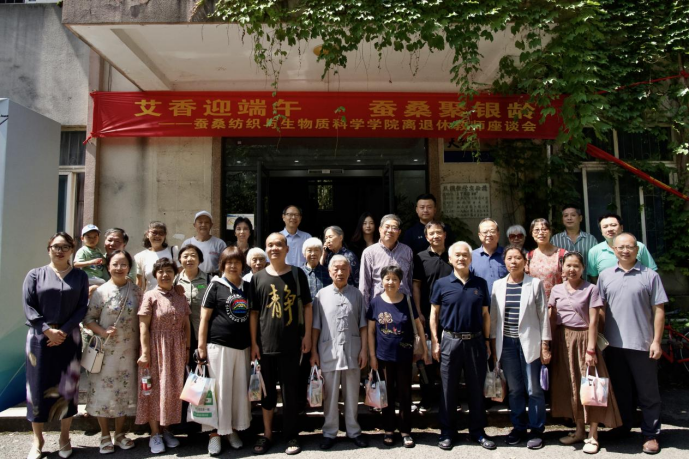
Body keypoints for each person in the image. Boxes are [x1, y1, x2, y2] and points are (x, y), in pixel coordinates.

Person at [597, 233, 668, 455]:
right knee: (620, 390)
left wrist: (656, 341)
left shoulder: (650, 276)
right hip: (613, 346)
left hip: (642, 344)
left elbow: (659, 310)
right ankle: (623, 427)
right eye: (621, 247)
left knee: (648, 393)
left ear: (637, 250)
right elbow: (600, 310)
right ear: (614, 250)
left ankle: (651, 434)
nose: (625, 251)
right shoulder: (605, 276)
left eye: (630, 247)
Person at [549, 251, 622, 454]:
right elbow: (552, 318)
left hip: (584, 340)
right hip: (563, 341)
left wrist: (591, 349)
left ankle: (593, 434)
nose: (572, 269)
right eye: (568, 265)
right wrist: (548, 344)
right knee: (571, 386)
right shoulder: (556, 289)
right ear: (562, 268)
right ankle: (579, 430)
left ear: (582, 268)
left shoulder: (591, 289)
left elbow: (594, 321)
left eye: (576, 266)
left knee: (591, 385)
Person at [23, 232, 88, 460]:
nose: (60, 251)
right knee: (37, 388)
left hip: (69, 337)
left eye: (65, 247)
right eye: (56, 246)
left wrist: (64, 330)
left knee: (67, 388)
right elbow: (29, 306)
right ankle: (37, 440)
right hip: (39, 338)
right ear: (49, 249)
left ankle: (64, 437)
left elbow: (82, 307)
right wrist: (47, 330)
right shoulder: (35, 275)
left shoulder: (80, 276)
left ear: (72, 250)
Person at [248, 233, 312, 455]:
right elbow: (254, 313)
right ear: (266, 249)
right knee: (267, 395)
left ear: (287, 249)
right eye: (270, 245)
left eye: (278, 244)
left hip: (292, 344)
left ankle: (291, 435)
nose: (274, 248)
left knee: (290, 393)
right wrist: (254, 343)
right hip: (265, 346)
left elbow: (307, 306)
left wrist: (307, 336)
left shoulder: (297, 274)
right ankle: (267, 434)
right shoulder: (258, 278)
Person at [430, 241, 494, 451]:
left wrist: (487, 341)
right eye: (457, 255)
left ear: (470, 258)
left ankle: (478, 431)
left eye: (465, 255)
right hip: (450, 340)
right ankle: (447, 432)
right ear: (450, 259)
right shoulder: (441, 284)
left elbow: (486, 315)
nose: (461, 258)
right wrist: (435, 342)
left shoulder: (480, 283)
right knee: (448, 389)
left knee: (476, 388)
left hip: (475, 341)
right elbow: (434, 314)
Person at [490, 245, 551, 450]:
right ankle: (519, 427)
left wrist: (545, 345)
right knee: (515, 389)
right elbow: (494, 318)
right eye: (509, 258)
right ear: (504, 261)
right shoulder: (498, 285)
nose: (513, 262)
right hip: (506, 344)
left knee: (533, 388)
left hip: (530, 342)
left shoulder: (534, 284)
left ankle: (536, 429)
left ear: (525, 262)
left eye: (517, 258)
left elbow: (543, 316)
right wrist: (493, 346)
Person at [83, 250, 142, 454]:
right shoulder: (100, 292)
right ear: (108, 266)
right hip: (106, 352)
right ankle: (104, 434)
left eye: (123, 264)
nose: (119, 268)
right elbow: (88, 318)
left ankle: (120, 433)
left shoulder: (136, 291)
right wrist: (102, 331)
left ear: (129, 267)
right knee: (104, 391)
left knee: (124, 391)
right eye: (115, 264)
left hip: (129, 350)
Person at [367, 265, 430, 448]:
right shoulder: (376, 302)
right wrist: (372, 356)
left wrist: (424, 350)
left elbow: (418, 326)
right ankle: (388, 430)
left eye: (395, 279)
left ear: (400, 281)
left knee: (405, 394)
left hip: (404, 356)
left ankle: (405, 431)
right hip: (383, 357)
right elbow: (370, 331)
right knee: (386, 394)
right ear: (382, 281)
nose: (391, 282)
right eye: (387, 278)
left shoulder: (407, 301)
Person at [197, 246, 252, 455]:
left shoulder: (248, 287)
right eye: (228, 262)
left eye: (236, 262)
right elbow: (204, 318)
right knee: (218, 392)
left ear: (242, 265)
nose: (233, 266)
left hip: (242, 347)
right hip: (218, 347)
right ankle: (214, 434)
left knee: (237, 392)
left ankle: (231, 430)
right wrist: (201, 346)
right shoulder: (215, 286)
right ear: (222, 265)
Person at [310, 255, 369, 450]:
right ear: (329, 272)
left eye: (344, 268)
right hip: (328, 350)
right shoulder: (321, 295)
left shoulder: (357, 294)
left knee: (352, 395)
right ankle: (329, 432)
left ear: (349, 271)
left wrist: (365, 350)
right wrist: (314, 352)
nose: (340, 272)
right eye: (335, 269)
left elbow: (363, 325)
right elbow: (316, 326)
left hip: (353, 351)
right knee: (330, 396)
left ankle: (354, 431)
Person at [135, 258, 191, 454]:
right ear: (155, 275)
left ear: (175, 274)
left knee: (172, 390)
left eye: (169, 271)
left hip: (177, 348)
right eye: (161, 271)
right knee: (154, 389)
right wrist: (145, 352)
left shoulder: (180, 296)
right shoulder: (150, 296)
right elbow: (143, 326)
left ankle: (167, 429)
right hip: (156, 348)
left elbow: (186, 324)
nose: (165, 275)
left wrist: (187, 349)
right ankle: (154, 433)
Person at [412, 220, 452, 411]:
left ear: (445, 234)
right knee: (427, 357)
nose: (436, 236)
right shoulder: (420, 258)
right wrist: (418, 311)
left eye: (439, 232)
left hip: (451, 315)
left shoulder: (453, 255)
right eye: (432, 233)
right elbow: (416, 286)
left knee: (449, 357)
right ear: (427, 237)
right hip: (428, 315)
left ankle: (449, 398)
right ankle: (427, 397)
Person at [359, 214, 414, 309]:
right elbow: (364, 285)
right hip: (378, 306)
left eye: (394, 228)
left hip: (403, 306)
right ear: (380, 229)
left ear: (399, 232)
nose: (390, 230)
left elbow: (409, 281)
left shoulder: (407, 251)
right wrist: (366, 311)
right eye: (387, 227)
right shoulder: (369, 253)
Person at [587, 213, 657, 282]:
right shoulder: (594, 251)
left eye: (613, 225)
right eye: (605, 227)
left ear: (621, 227)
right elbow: (593, 275)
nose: (610, 229)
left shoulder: (639, 246)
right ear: (601, 231)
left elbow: (651, 271)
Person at [175, 244, 211, 342]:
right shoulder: (175, 280)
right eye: (185, 256)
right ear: (180, 260)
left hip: (202, 330)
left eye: (193, 256)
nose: (189, 259)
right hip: (181, 330)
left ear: (200, 260)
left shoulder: (209, 280)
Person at [525, 218, 566, 301]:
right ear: (532, 233)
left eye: (544, 229)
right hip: (535, 303)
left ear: (550, 232)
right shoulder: (529, 256)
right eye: (536, 230)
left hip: (557, 302)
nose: (540, 233)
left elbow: (568, 282)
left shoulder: (562, 254)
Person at [550, 205, 599, 273]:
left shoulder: (591, 239)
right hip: (562, 279)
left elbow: (596, 263)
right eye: (566, 216)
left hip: (586, 278)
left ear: (580, 218)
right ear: (562, 219)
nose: (569, 218)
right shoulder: (555, 240)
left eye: (573, 215)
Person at [135, 221, 180, 292]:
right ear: (147, 234)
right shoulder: (140, 256)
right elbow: (139, 283)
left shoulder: (173, 251)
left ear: (165, 235)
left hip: (171, 296)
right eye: (154, 232)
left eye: (161, 233)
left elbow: (181, 274)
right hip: (151, 297)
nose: (157, 236)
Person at [470, 218, 508, 296]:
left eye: (492, 231)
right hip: (480, 300)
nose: (489, 235)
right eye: (485, 232)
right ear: (479, 235)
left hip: (504, 299)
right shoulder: (471, 256)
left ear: (498, 234)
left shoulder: (508, 254)